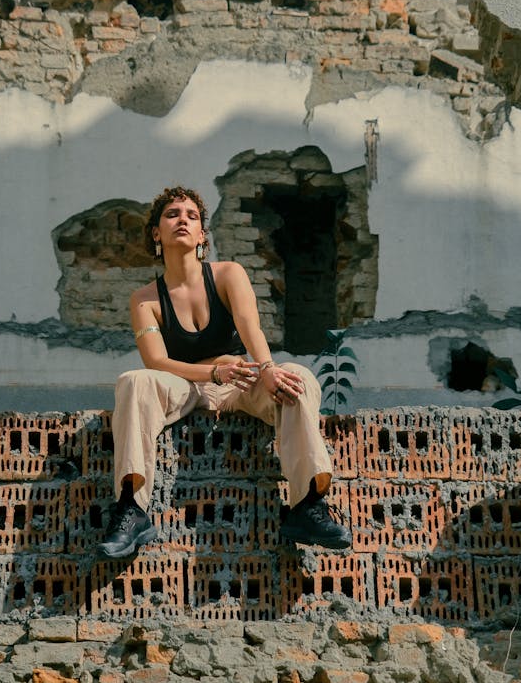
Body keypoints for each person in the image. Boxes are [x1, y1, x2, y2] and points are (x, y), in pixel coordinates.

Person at [97, 185, 351, 558]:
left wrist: (267, 369)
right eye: (172, 214)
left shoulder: (228, 274)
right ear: (156, 232)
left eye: (192, 216)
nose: (182, 219)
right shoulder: (145, 299)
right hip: (185, 386)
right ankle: (131, 510)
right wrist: (212, 376)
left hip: (242, 381)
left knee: (298, 377)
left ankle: (308, 504)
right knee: (133, 381)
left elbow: (251, 328)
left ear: (202, 235)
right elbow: (157, 362)